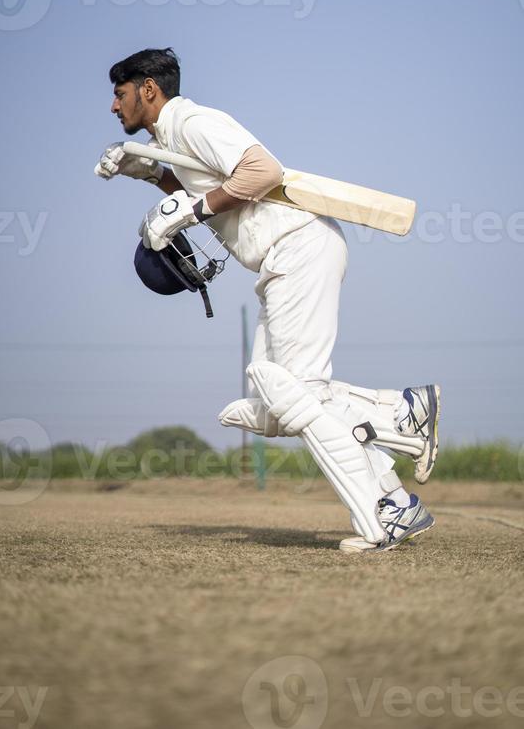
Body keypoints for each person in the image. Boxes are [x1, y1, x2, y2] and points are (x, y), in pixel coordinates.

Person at [96, 47, 440, 554]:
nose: (113, 106)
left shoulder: (191, 120)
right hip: (282, 260)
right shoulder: (170, 139)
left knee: (295, 394)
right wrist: (144, 170)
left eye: (120, 94)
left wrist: (188, 212)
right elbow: (205, 181)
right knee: (275, 407)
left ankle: (383, 507)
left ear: (149, 88)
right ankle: (401, 431)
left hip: (298, 247)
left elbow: (262, 171)